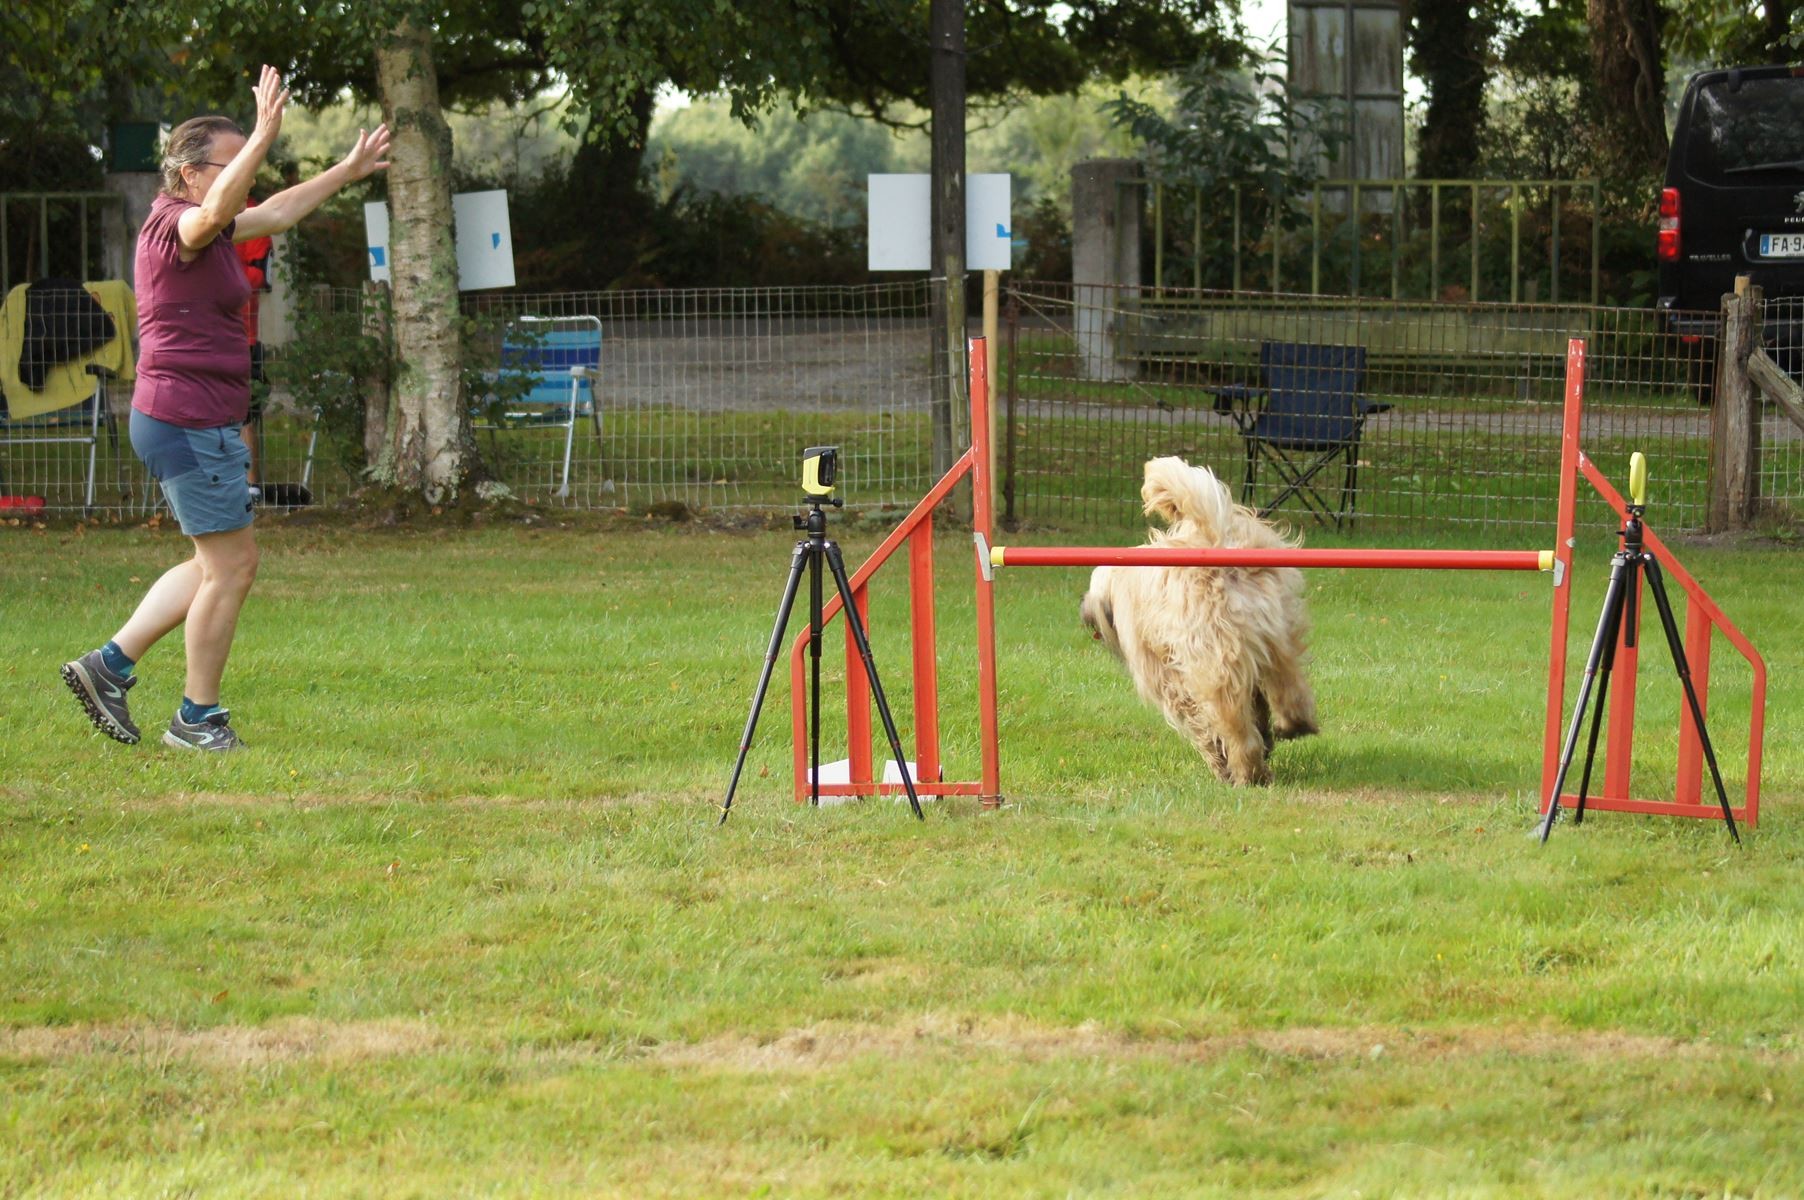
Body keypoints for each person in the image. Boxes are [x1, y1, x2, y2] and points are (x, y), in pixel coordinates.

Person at [61, 66, 389, 751]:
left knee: (214, 564)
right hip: (184, 419)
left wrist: (348, 169)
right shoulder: (175, 227)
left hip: (188, 419)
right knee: (233, 566)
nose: (247, 168)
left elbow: (276, 212)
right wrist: (266, 133)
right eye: (233, 158)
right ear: (186, 172)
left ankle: (109, 666)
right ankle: (196, 718)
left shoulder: (209, 230)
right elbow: (215, 215)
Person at [235, 196, 274, 485]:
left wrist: (218, 270)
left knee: (245, 413)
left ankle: (250, 485)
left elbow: (260, 276)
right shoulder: (193, 208)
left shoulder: (253, 214)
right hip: (200, 333)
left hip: (242, 334)